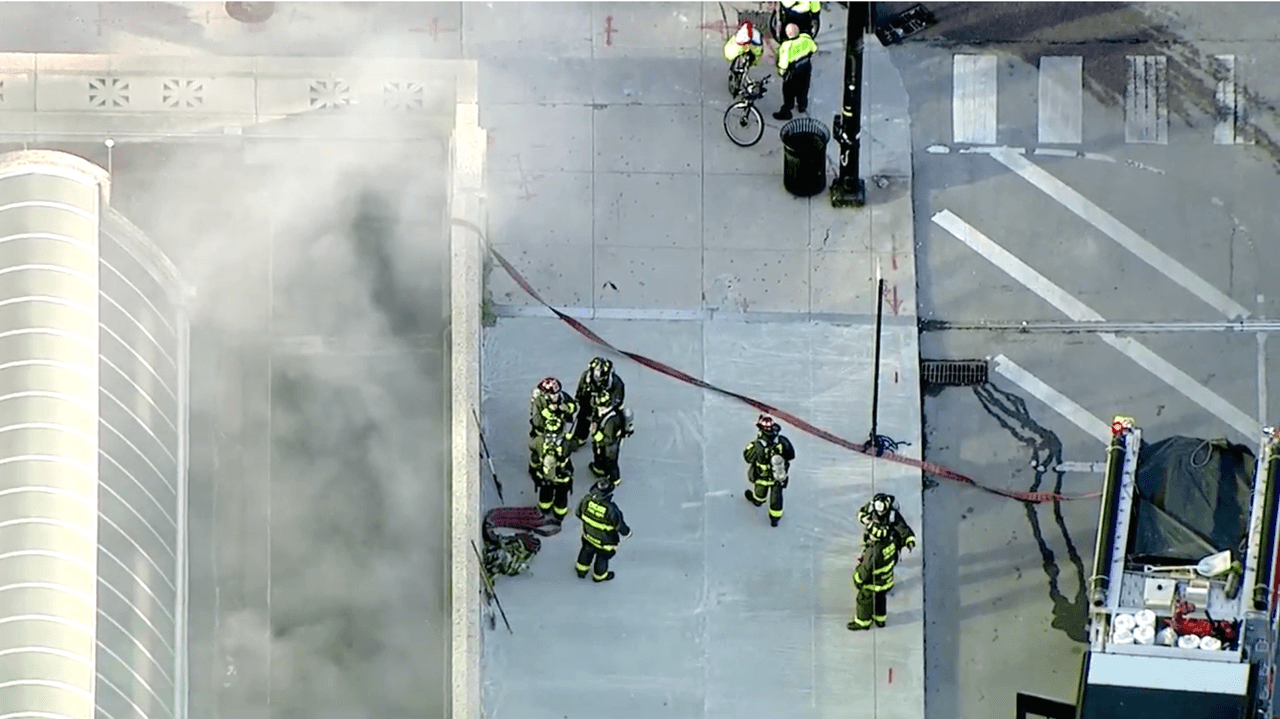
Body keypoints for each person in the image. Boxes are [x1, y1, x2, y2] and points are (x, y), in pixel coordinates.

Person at [849, 495, 916, 631]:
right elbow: (861, 513)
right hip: (886, 580)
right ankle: (880, 619)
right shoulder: (891, 545)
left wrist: (858, 579)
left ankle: (863, 622)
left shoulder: (873, 552)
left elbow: (866, 569)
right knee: (880, 598)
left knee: (865, 600)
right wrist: (864, 518)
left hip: (872, 582)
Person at [575, 477, 632, 583]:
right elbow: (619, 525)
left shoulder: (586, 500)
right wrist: (627, 533)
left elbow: (578, 513)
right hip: (605, 541)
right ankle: (599, 576)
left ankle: (581, 570)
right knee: (602, 558)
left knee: (586, 551)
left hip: (589, 536)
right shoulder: (611, 509)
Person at [743, 414, 796, 527]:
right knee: (775, 498)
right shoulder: (782, 441)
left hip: (762, 476)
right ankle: (774, 518)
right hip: (776, 477)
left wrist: (757, 449)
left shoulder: (757, 444)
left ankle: (758, 502)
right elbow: (791, 455)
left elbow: (747, 458)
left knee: (762, 494)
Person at [572, 357, 626, 448]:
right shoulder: (586, 377)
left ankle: (608, 438)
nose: (598, 378)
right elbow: (580, 391)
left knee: (610, 421)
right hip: (589, 402)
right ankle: (580, 437)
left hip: (607, 406)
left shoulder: (615, 381)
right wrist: (580, 399)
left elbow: (618, 398)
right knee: (583, 416)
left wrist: (607, 406)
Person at [530, 419, 575, 521]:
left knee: (545, 492)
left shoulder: (540, 441)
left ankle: (544, 508)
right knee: (561, 496)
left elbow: (531, 445)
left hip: (545, 475)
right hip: (562, 477)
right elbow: (575, 446)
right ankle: (559, 514)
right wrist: (570, 438)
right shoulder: (566, 443)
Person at [773, 23, 817, 121]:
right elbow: (814, 49)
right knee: (803, 88)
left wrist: (781, 73)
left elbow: (783, 64)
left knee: (788, 93)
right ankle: (802, 106)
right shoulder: (806, 39)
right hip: (805, 69)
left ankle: (787, 112)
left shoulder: (786, 46)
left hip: (792, 73)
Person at [588, 401, 634, 488]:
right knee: (602, 458)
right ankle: (600, 470)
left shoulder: (611, 421)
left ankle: (615, 480)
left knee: (611, 462)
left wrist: (596, 435)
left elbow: (608, 439)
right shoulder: (610, 414)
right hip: (608, 445)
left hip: (610, 447)